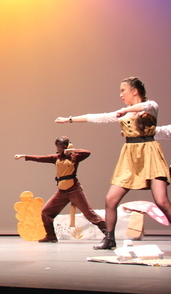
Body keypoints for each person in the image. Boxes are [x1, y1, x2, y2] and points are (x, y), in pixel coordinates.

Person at [55, 76, 171, 249]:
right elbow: (100, 117)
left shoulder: (150, 106)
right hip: (130, 157)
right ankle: (109, 239)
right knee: (110, 199)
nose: (121, 95)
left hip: (150, 155)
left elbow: (146, 107)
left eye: (123, 90)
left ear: (134, 91)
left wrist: (125, 111)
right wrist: (69, 119)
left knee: (161, 201)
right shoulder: (125, 112)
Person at [14, 136, 106, 243]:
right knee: (46, 212)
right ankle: (51, 236)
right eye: (57, 146)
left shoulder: (75, 157)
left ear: (65, 146)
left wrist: (72, 150)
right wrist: (24, 156)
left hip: (74, 190)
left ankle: (108, 235)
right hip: (62, 192)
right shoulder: (56, 158)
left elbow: (87, 153)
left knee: (89, 214)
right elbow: (40, 158)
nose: (57, 148)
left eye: (59, 146)